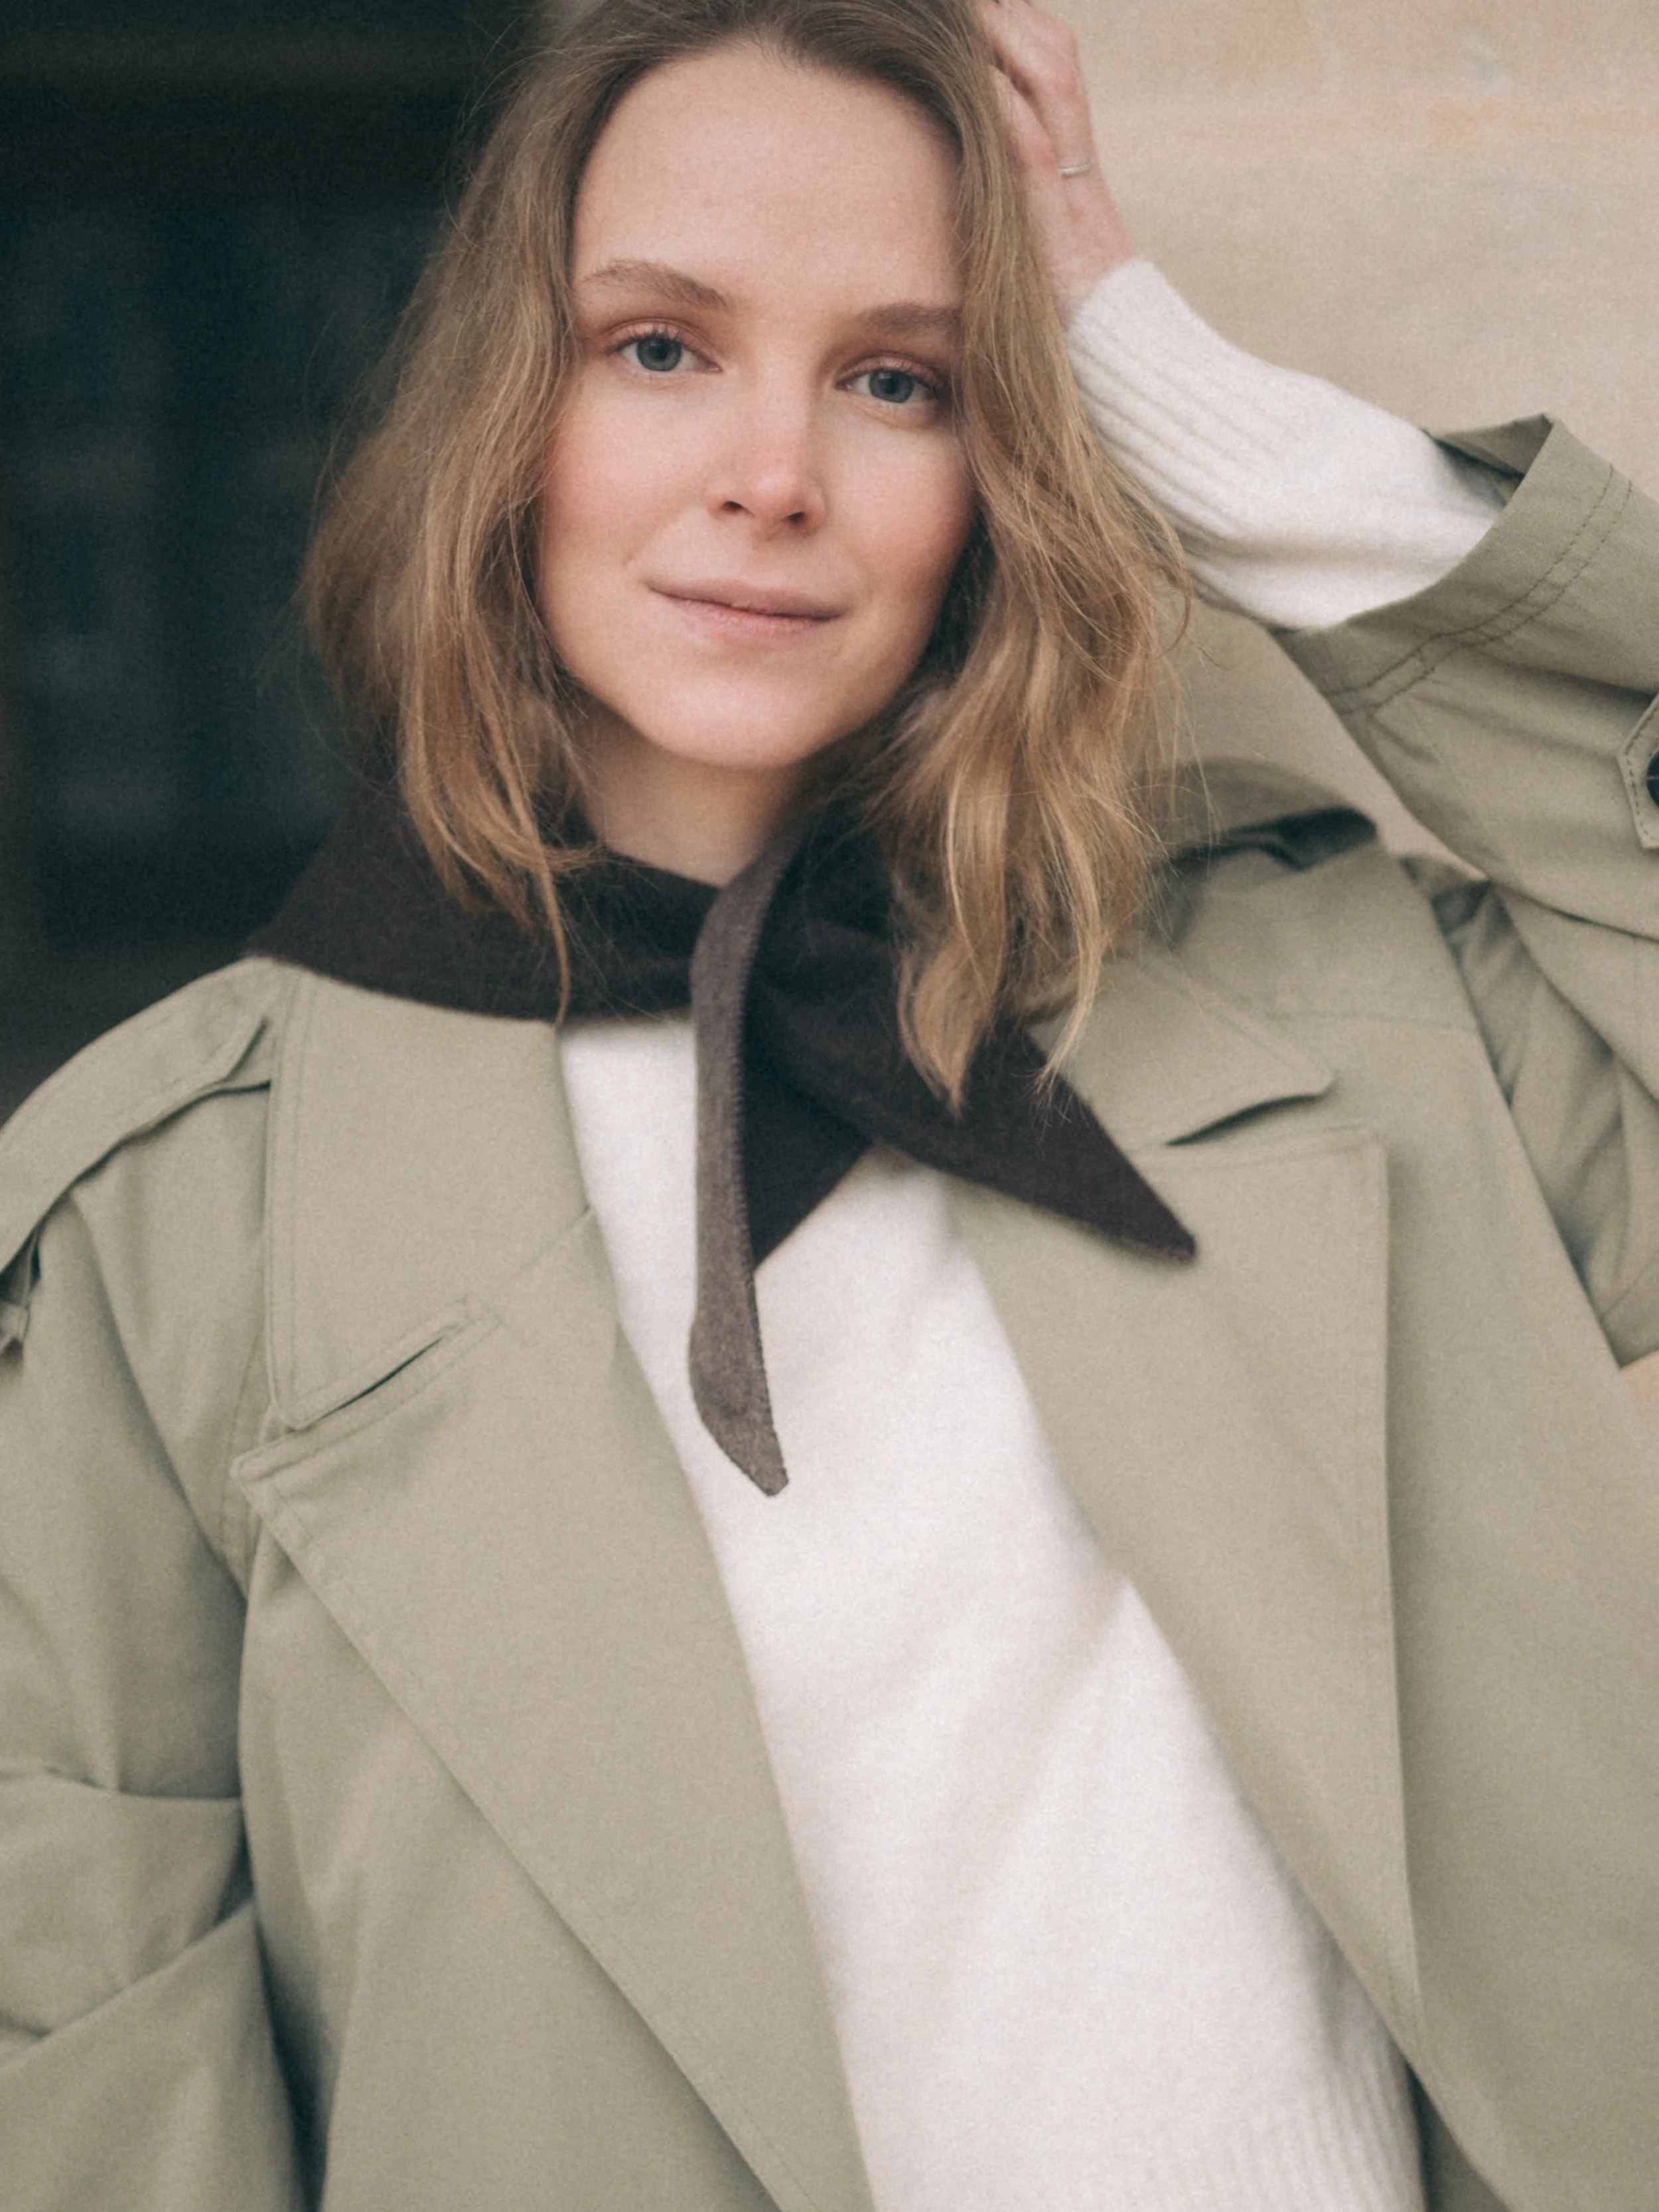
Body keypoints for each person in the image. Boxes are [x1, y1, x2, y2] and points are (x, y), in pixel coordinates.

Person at [1, 0, 1656, 2205]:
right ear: (509, 408)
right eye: (659, 347)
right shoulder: (165, 1211)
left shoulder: (1332, 999)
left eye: (901, 378)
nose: (771, 470)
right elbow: (101, 2073)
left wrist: (1182, 392)